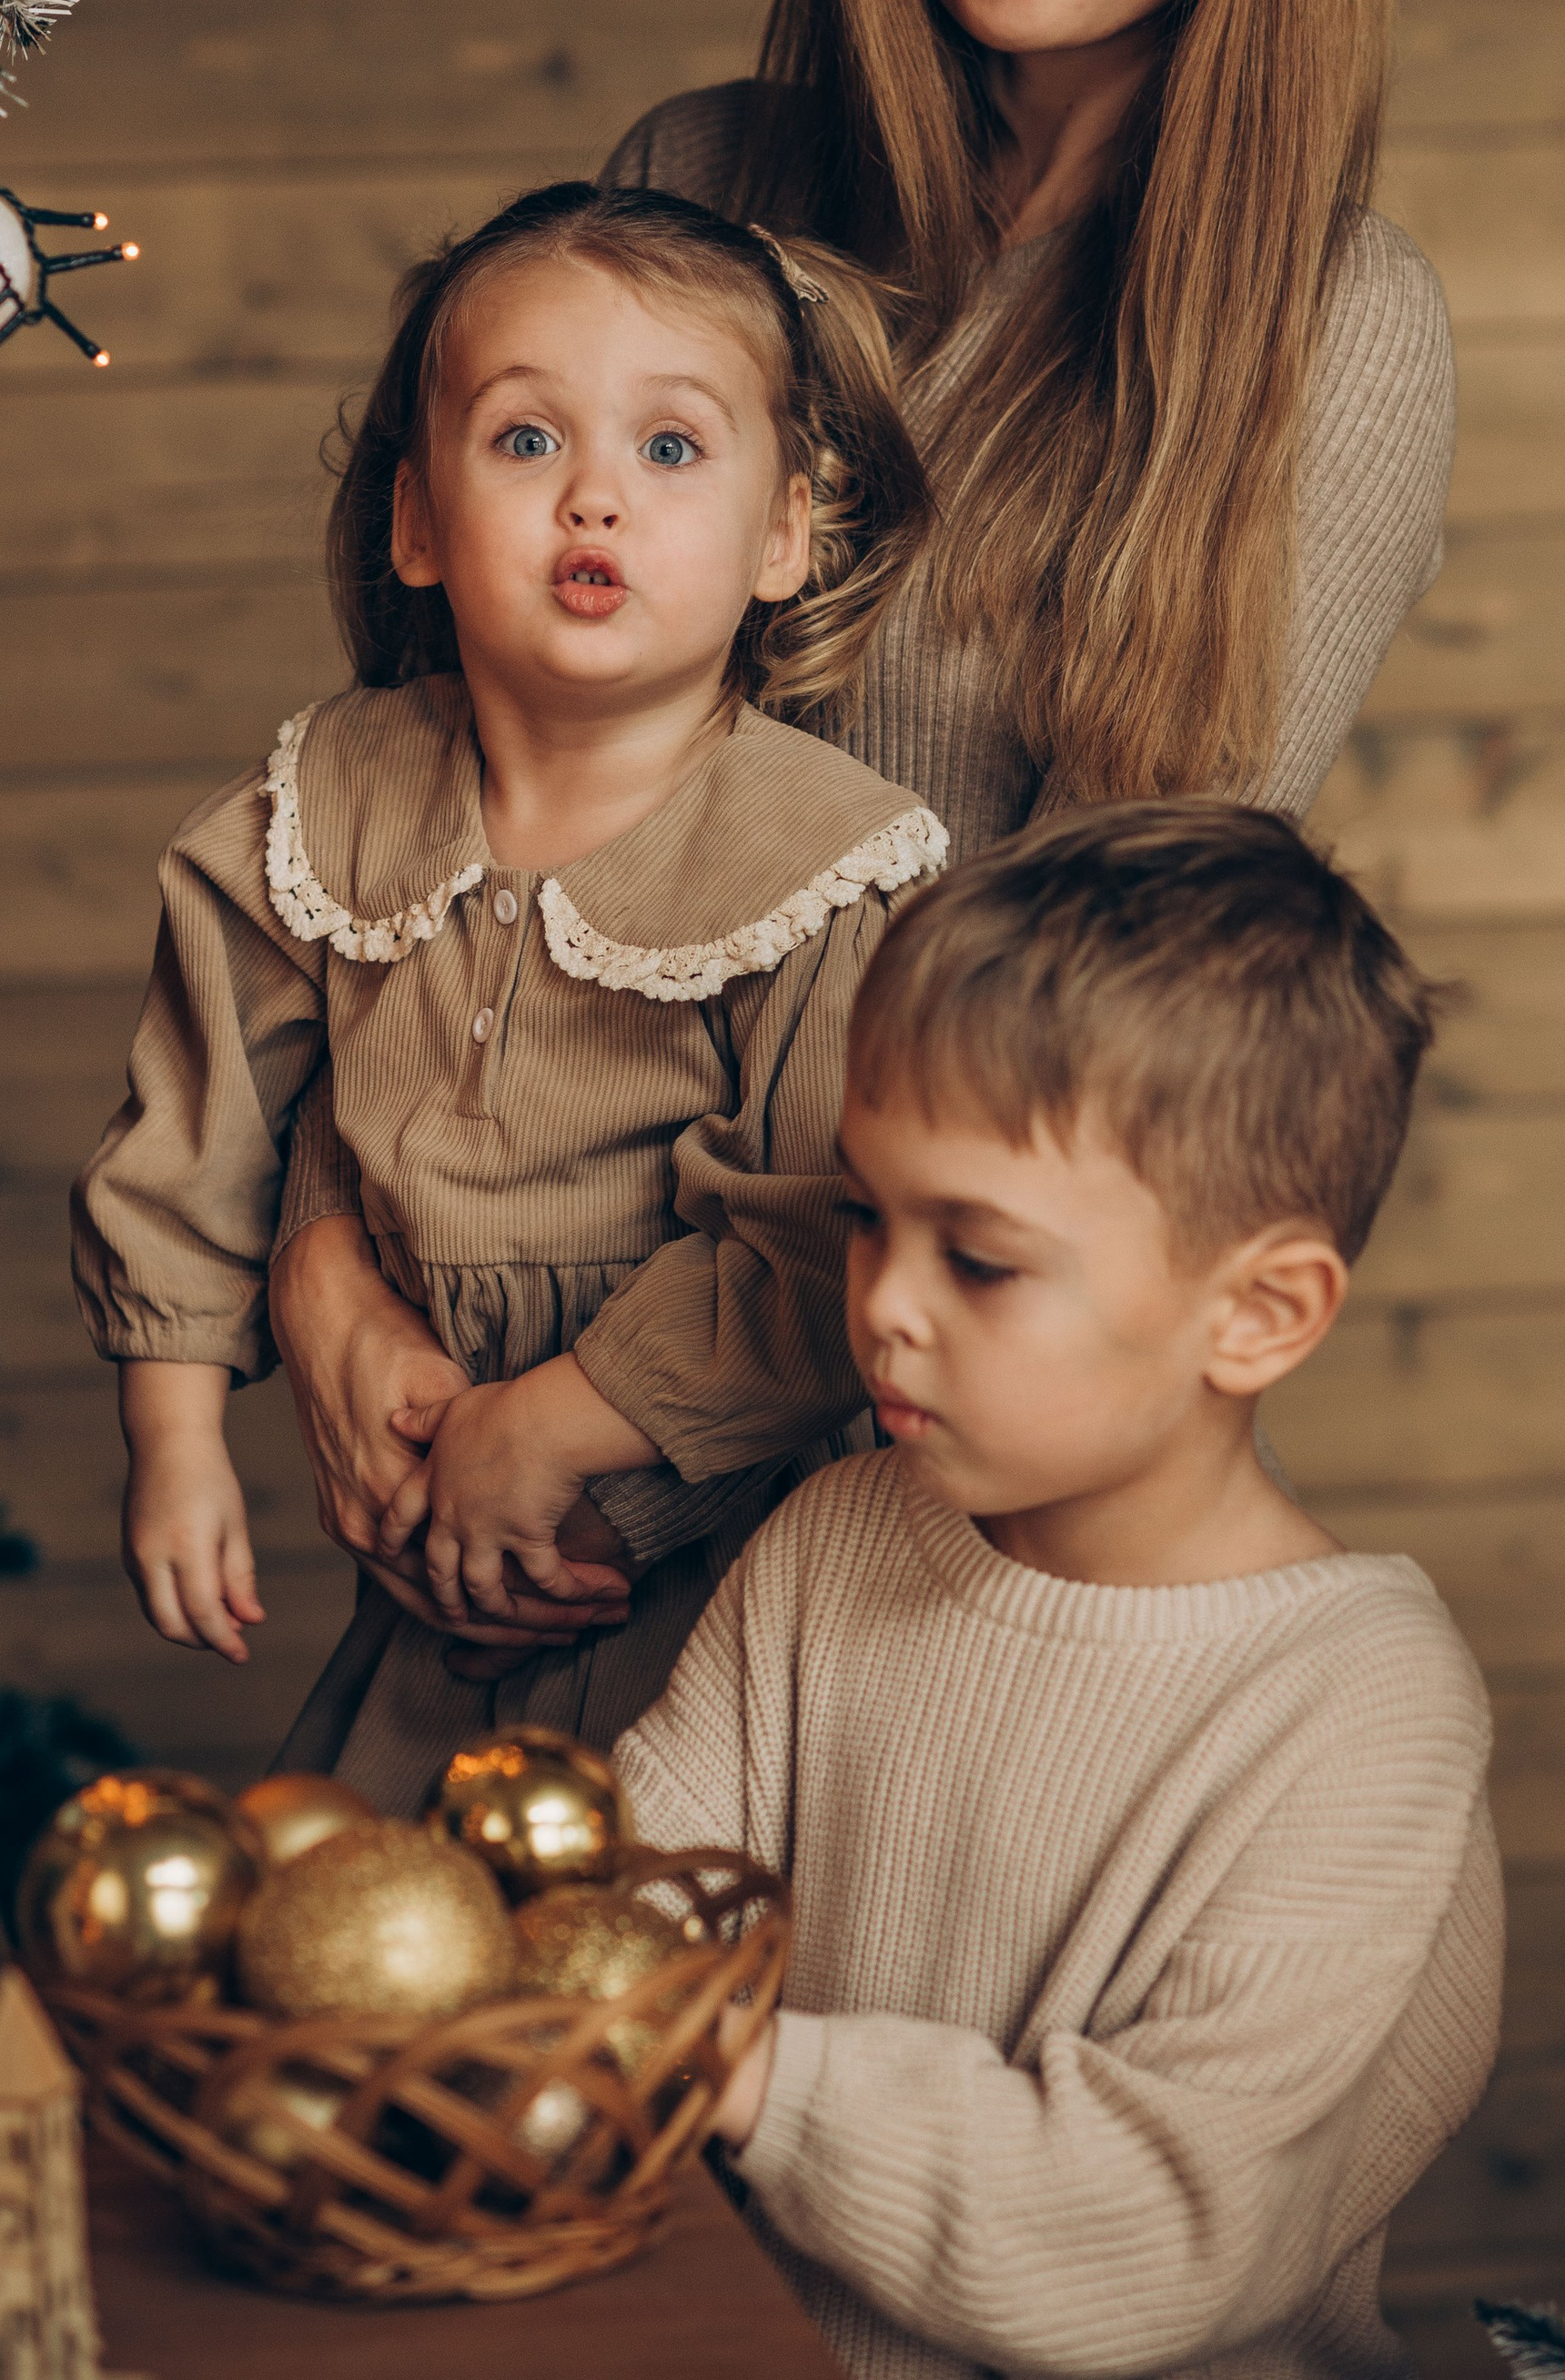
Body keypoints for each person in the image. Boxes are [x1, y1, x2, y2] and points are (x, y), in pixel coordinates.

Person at [270, 0, 1458, 1721]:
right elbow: (441, 787)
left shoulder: (1326, 338)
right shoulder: (697, 177)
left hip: (885, 1471)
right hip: (483, 1330)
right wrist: (326, 1253)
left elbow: (1094, 1066)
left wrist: (623, 1410)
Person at [70, 182, 943, 1801]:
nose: (594, 499)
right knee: (391, 1928)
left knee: (663, 1948)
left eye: (671, 450)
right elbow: (194, 1140)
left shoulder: (829, 860)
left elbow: (826, 1236)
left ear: (784, 536)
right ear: (418, 522)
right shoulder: (323, 805)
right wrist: (175, 1442)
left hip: (725, 1558)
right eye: (527, 443)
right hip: (410, 1534)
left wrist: (555, 1434)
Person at [621, 805, 1501, 2380]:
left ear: (1260, 1314)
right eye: (869, 1219)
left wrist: (739, 2076)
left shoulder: (1355, 1708)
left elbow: (1148, 2238)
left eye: (981, 1259)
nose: (879, 1309)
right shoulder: (836, 1540)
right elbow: (635, 1901)